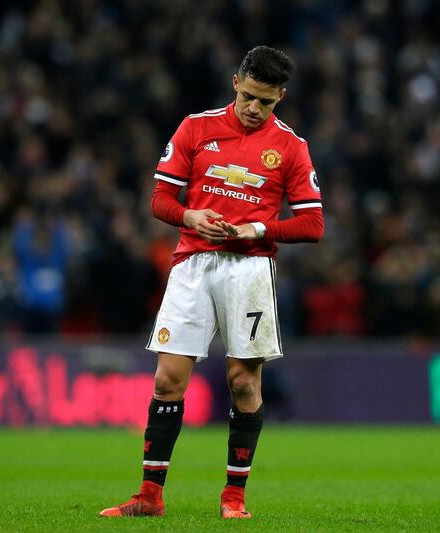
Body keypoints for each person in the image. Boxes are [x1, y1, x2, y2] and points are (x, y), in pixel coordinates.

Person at [100, 46, 324, 519]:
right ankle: (149, 496)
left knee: (243, 384)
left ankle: (234, 499)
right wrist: (189, 215)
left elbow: (312, 223)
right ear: (235, 81)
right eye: (248, 96)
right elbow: (160, 198)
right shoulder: (196, 127)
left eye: (266, 101)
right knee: (167, 381)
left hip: (249, 271)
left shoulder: (291, 146)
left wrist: (257, 229)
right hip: (193, 263)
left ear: (280, 96)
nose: (254, 108)